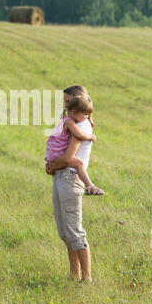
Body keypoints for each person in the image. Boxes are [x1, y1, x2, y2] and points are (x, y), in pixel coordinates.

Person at [45, 85, 102, 281]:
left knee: (74, 231)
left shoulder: (81, 126)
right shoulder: (71, 122)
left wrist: (52, 165)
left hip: (70, 178)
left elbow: (69, 158)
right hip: (61, 177)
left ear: (80, 104)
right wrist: (52, 167)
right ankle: (73, 275)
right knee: (65, 232)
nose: (66, 108)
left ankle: (86, 279)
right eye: (65, 103)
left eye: (69, 103)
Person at [45, 95, 104, 195]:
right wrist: (91, 136)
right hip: (58, 153)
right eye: (84, 114)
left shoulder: (66, 120)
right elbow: (79, 134)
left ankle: (90, 186)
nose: (86, 117)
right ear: (74, 112)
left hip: (54, 153)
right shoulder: (69, 121)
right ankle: (90, 186)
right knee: (79, 164)